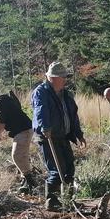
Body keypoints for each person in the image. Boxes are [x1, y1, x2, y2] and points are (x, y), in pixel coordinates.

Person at [32, 62, 86, 211]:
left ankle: (68, 200)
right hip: (48, 136)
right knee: (57, 169)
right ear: (51, 78)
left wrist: (79, 135)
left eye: (65, 77)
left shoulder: (66, 94)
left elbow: (72, 116)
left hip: (63, 135)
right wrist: (44, 127)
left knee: (69, 167)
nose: (64, 79)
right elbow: (40, 111)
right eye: (61, 77)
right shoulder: (41, 92)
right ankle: (51, 201)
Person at [0, 86, 37, 193]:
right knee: (22, 156)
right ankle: (25, 183)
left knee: (17, 156)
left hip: (23, 130)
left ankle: (30, 182)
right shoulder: (3, 100)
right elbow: (2, 124)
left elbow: (2, 122)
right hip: (24, 129)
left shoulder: (0, 102)